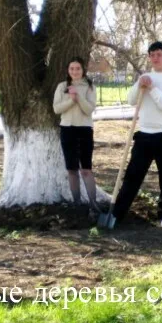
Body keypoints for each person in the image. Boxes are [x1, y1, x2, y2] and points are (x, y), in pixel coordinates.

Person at [112, 42, 162, 228]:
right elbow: (131, 100)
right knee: (132, 175)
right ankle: (117, 215)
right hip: (144, 134)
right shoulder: (145, 77)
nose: (155, 58)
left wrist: (152, 89)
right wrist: (140, 86)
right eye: (151, 54)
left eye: (159, 54)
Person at [53, 56, 98, 214]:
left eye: (77, 68)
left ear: (83, 70)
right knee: (72, 169)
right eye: (71, 68)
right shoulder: (62, 86)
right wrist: (71, 101)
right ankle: (77, 203)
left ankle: (94, 204)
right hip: (67, 129)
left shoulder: (89, 87)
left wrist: (78, 98)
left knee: (86, 169)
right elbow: (57, 109)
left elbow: (89, 109)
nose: (75, 71)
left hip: (84, 129)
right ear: (68, 70)